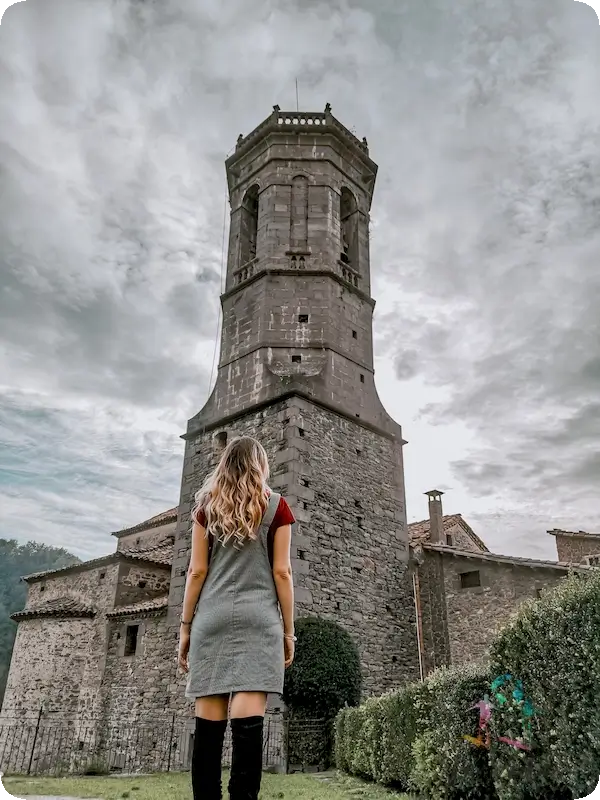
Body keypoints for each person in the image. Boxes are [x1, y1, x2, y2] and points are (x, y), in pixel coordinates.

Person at [178, 435, 296, 800]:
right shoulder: (276, 507)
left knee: (208, 732)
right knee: (248, 729)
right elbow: (283, 573)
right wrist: (288, 633)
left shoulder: (205, 508)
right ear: (261, 466)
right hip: (259, 621)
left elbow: (196, 572)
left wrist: (185, 628)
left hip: (210, 620)